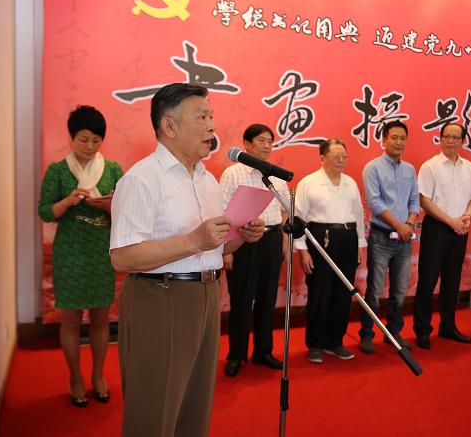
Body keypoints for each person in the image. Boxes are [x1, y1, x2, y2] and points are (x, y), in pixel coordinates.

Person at [109, 83, 265, 437]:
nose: (212, 126)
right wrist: (193, 240)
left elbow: (216, 249)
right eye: (201, 117)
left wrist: (242, 236)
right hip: (160, 299)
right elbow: (122, 257)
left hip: (207, 296)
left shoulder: (207, 180)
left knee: (195, 405)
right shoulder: (142, 179)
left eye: (211, 116)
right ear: (169, 125)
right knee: (155, 410)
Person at [38, 105, 123, 407]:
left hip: (101, 250)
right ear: (72, 137)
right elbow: (45, 212)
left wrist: (109, 206)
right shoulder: (58, 171)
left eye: (96, 140)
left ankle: (98, 375)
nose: (90, 146)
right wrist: (68, 201)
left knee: (101, 319)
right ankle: (75, 377)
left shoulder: (112, 169)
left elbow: (127, 209)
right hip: (70, 251)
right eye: (83, 139)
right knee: (71, 320)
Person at [220, 124, 289, 377]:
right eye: (261, 140)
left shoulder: (276, 175)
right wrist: (226, 250)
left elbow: (284, 211)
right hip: (242, 242)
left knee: (267, 299)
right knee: (241, 300)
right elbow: (223, 212)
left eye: (270, 141)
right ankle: (236, 355)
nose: (267, 145)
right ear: (247, 144)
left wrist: (284, 242)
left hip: (272, 240)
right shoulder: (232, 173)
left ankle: (263, 352)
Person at [295, 139, 367, 363]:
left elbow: (359, 215)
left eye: (344, 156)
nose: (341, 160)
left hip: (348, 239)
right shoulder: (309, 183)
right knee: (320, 292)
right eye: (336, 156)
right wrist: (302, 250)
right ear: (322, 157)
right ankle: (316, 344)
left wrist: (361, 244)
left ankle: (335, 342)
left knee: (344, 293)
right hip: (320, 240)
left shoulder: (350, 183)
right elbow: (298, 219)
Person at [414, 122, 471, 349]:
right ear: (440, 138)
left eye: (456, 137)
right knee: (427, 280)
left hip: (460, 229)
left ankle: (448, 326)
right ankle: (422, 330)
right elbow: (424, 200)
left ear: (463, 141)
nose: (451, 141)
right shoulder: (430, 166)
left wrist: (466, 216)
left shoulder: (469, 168)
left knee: (452, 280)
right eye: (447, 136)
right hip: (436, 228)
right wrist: (451, 221)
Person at [359, 120, 419, 353]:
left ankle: (393, 333)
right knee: (374, 290)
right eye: (394, 137)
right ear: (384, 140)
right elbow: (374, 203)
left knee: (400, 291)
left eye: (403, 138)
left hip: (404, 238)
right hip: (381, 237)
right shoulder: (372, 167)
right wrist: (399, 225)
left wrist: (409, 224)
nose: (398, 142)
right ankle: (367, 334)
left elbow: (414, 200)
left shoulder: (410, 169)